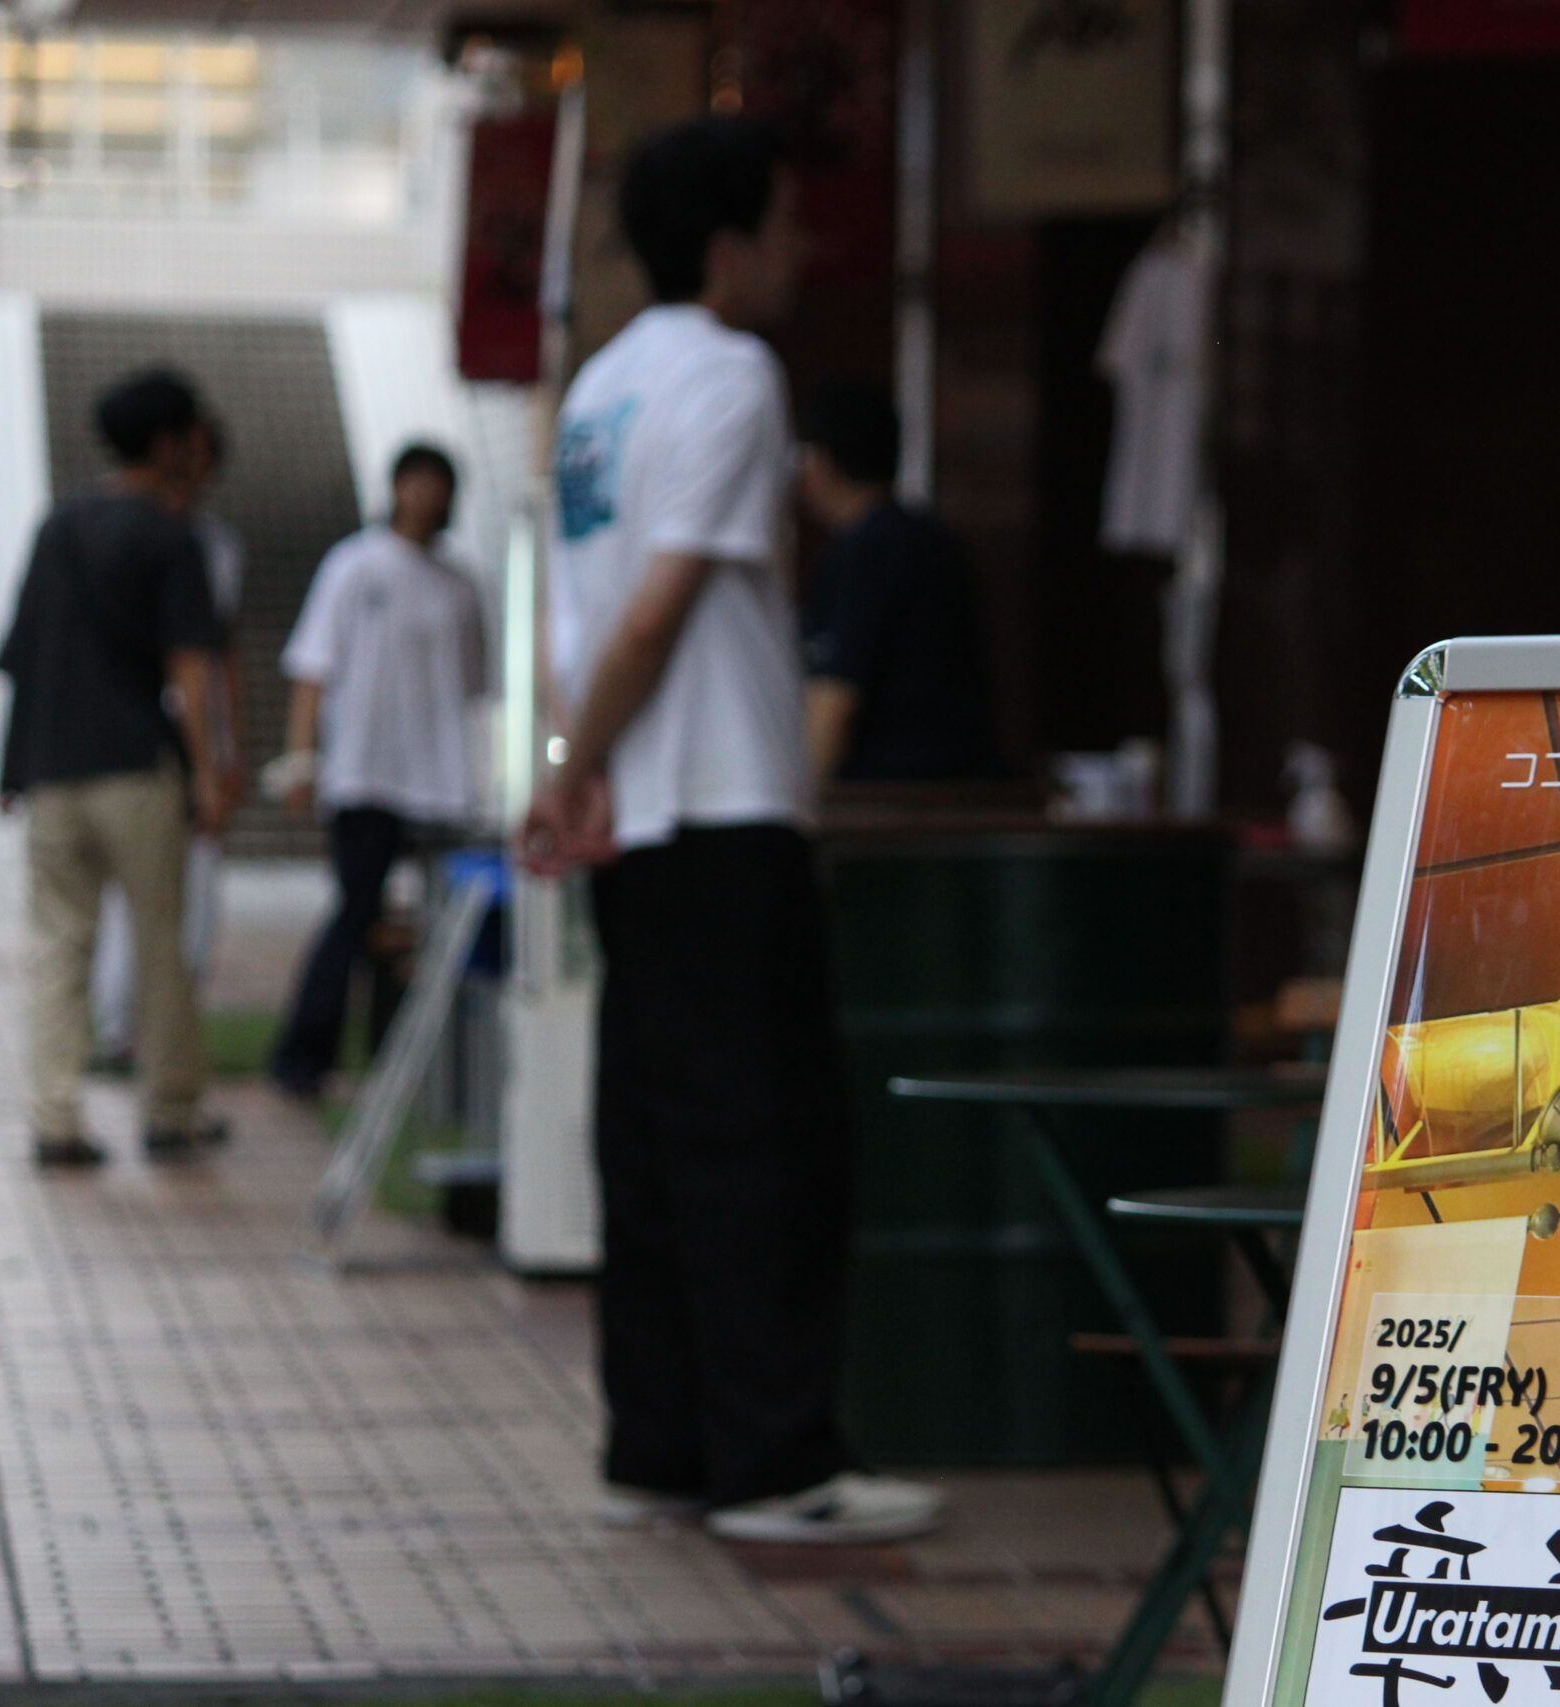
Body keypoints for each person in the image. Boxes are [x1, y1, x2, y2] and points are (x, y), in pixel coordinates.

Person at [521, 116, 943, 1545]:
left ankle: (660, 1444)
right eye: (785, 220)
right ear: (727, 243)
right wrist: (582, 764)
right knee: (768, 1136)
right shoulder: (730, 376)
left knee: (651, 1138)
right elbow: (660, 605)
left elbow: (574, 616)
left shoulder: (597, 391)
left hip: (639, 822)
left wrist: (573, 765)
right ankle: (775, 1464)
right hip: (725, 798)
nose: (802, 247)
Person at [0, 368, 234, 1168]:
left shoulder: (58, 526)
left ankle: (55, 1116)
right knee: (158, 943)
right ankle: (170, 1109)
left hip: (54, 768)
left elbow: (26, 653)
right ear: (167, 443)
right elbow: (190, 666)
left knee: (57, 943)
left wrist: (10, 767)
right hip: (136, 768)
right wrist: (208, 772)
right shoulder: (171, 534)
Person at [266, 444, 489, 1102]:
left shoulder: (461, 584)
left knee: (427, 926)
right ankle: (306, 1055)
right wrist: (302, 759)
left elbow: (476, 685)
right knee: (355, 912)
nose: (423, 496)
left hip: (441, 781)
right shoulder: (353, 565)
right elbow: (313, 667)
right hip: (366, 772)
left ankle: (410, 1057)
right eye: (414, 482)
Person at [90, 414, 245, 1070]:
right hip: (133, 741)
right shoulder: (104, 531)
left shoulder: (215, 545)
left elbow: (215, 655)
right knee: (133, 897)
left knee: (190, 898)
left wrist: (222, 756)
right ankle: (125, 1030)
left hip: (185, 739)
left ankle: (168, 1046)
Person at [796, 379, 998, 793]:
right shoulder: (931, 541)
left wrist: (801, 801)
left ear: (819, 462)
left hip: (890, 793)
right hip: (961, 785)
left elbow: (835, 701)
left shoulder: (863, 553)